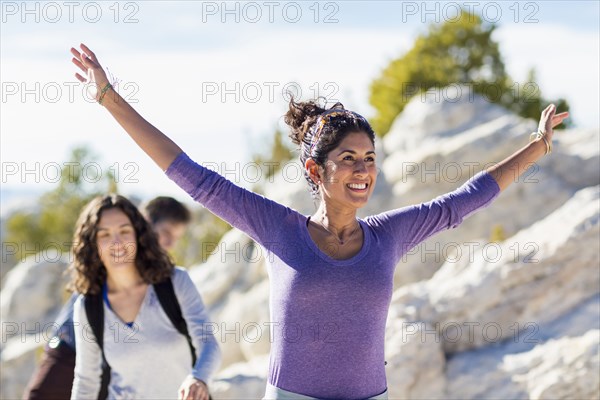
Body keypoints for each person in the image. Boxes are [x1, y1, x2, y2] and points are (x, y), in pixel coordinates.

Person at [69, 43, 569, 399]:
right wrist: (109, 96)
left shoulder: (390, 234)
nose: (363, 170)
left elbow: (465, 198)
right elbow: (191, 175)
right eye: (349, 158)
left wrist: (539, 145)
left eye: (370, 158)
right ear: (316, 169)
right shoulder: (277, 229)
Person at [22, 197, 203, 400]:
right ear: (143, 225)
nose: (170, 243)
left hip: (109, 367)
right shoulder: (110, 264)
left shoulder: (167, 278)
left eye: (176, 238)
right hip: (69, 352)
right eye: (167, 233)